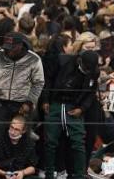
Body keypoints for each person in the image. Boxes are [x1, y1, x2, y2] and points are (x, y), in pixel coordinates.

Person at [42, 50, 100, 179]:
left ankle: (79, 174)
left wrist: (82, 108)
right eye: (85, 68)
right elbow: (48, 79)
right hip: (56, 102)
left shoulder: (94, 72)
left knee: (78, 142)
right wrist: (45, 99)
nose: (87, 71)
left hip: (75, 106)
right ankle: (49, 174)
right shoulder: (63, 61)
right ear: (80, 61)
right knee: (50, 141)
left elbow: (91, 92)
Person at [0, 32, 45, 140]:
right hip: (1, 102)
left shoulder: (34, 59)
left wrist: (29, 102)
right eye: (6, 47)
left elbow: (38, 83)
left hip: (22, 105)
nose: (7, 51)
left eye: (11, 48)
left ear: (20, 46)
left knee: (19, 138)